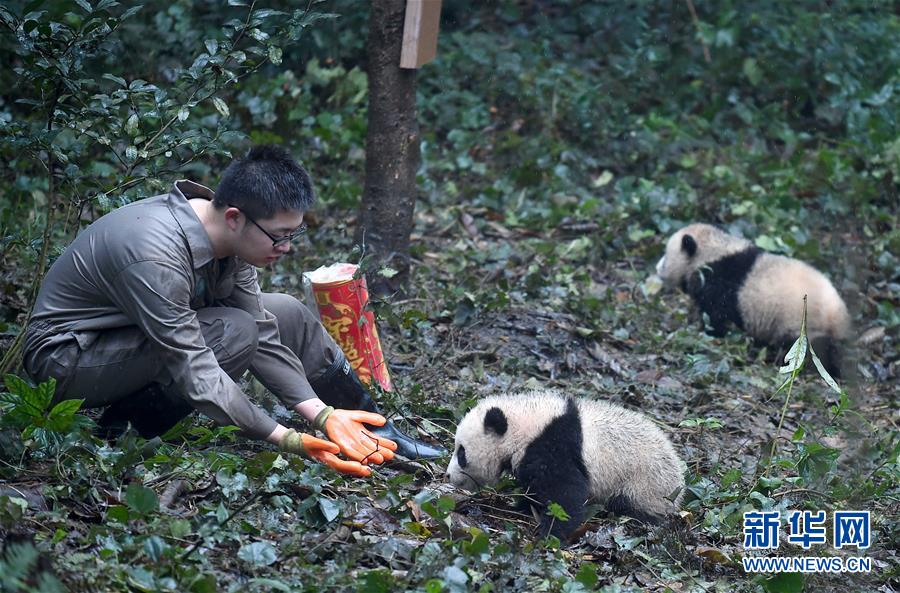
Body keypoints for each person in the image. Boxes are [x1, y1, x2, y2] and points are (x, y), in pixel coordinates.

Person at [22, 145, 445, 476]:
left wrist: (322, 416)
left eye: (293, 234)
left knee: (284, 312)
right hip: (68, 360)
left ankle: (371, 428)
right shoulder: (154, 253)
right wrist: (285, 438)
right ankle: (124, 431)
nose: (287, 248)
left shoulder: (230, 238)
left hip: (132, 340)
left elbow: (264, 329)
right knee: (234, 330)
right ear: (234, 217)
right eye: (279, 237)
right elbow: (194, 364)